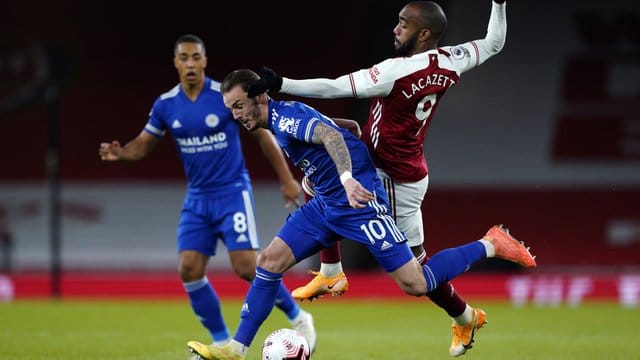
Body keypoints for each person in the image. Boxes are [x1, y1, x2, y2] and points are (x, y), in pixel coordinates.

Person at [186, 69, 535, 360]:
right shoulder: (280, 120)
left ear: (259, 97)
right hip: (326, 205)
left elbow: (329, 137)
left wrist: (349, 178)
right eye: (230, 108)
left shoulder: (287, 118)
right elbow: (348, 128)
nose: (236, 115)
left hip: (358, 204)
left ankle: (490, 243)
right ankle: (236, 348)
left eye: (238, 105)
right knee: (269, 261)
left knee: (415, 282)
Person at [249, 0, 507, 356]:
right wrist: (499, 3)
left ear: (424, 33)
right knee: (318, 184)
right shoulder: (452, 58)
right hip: (409, 168)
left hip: (389, 176)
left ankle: (491, 245)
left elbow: (335, 87)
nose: (395, 28)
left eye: (403, 24)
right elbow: (494, 42)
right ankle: (462, 317)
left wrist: (282, 82)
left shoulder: (395, 71)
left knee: (415, 278)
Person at [97, 34, 316, 351]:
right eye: (183, 57)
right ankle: (218, 342)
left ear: (204, 61)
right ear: (175, 62)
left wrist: (286, 179)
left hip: (232, 192)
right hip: (197, 198)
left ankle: (298, 317)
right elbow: (143, 145)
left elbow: (262, 137)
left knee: (245, 268)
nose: (190, 63)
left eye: (195, 57)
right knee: (188, 269)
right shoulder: (166, 104)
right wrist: (123, 153)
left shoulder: (224, 97)